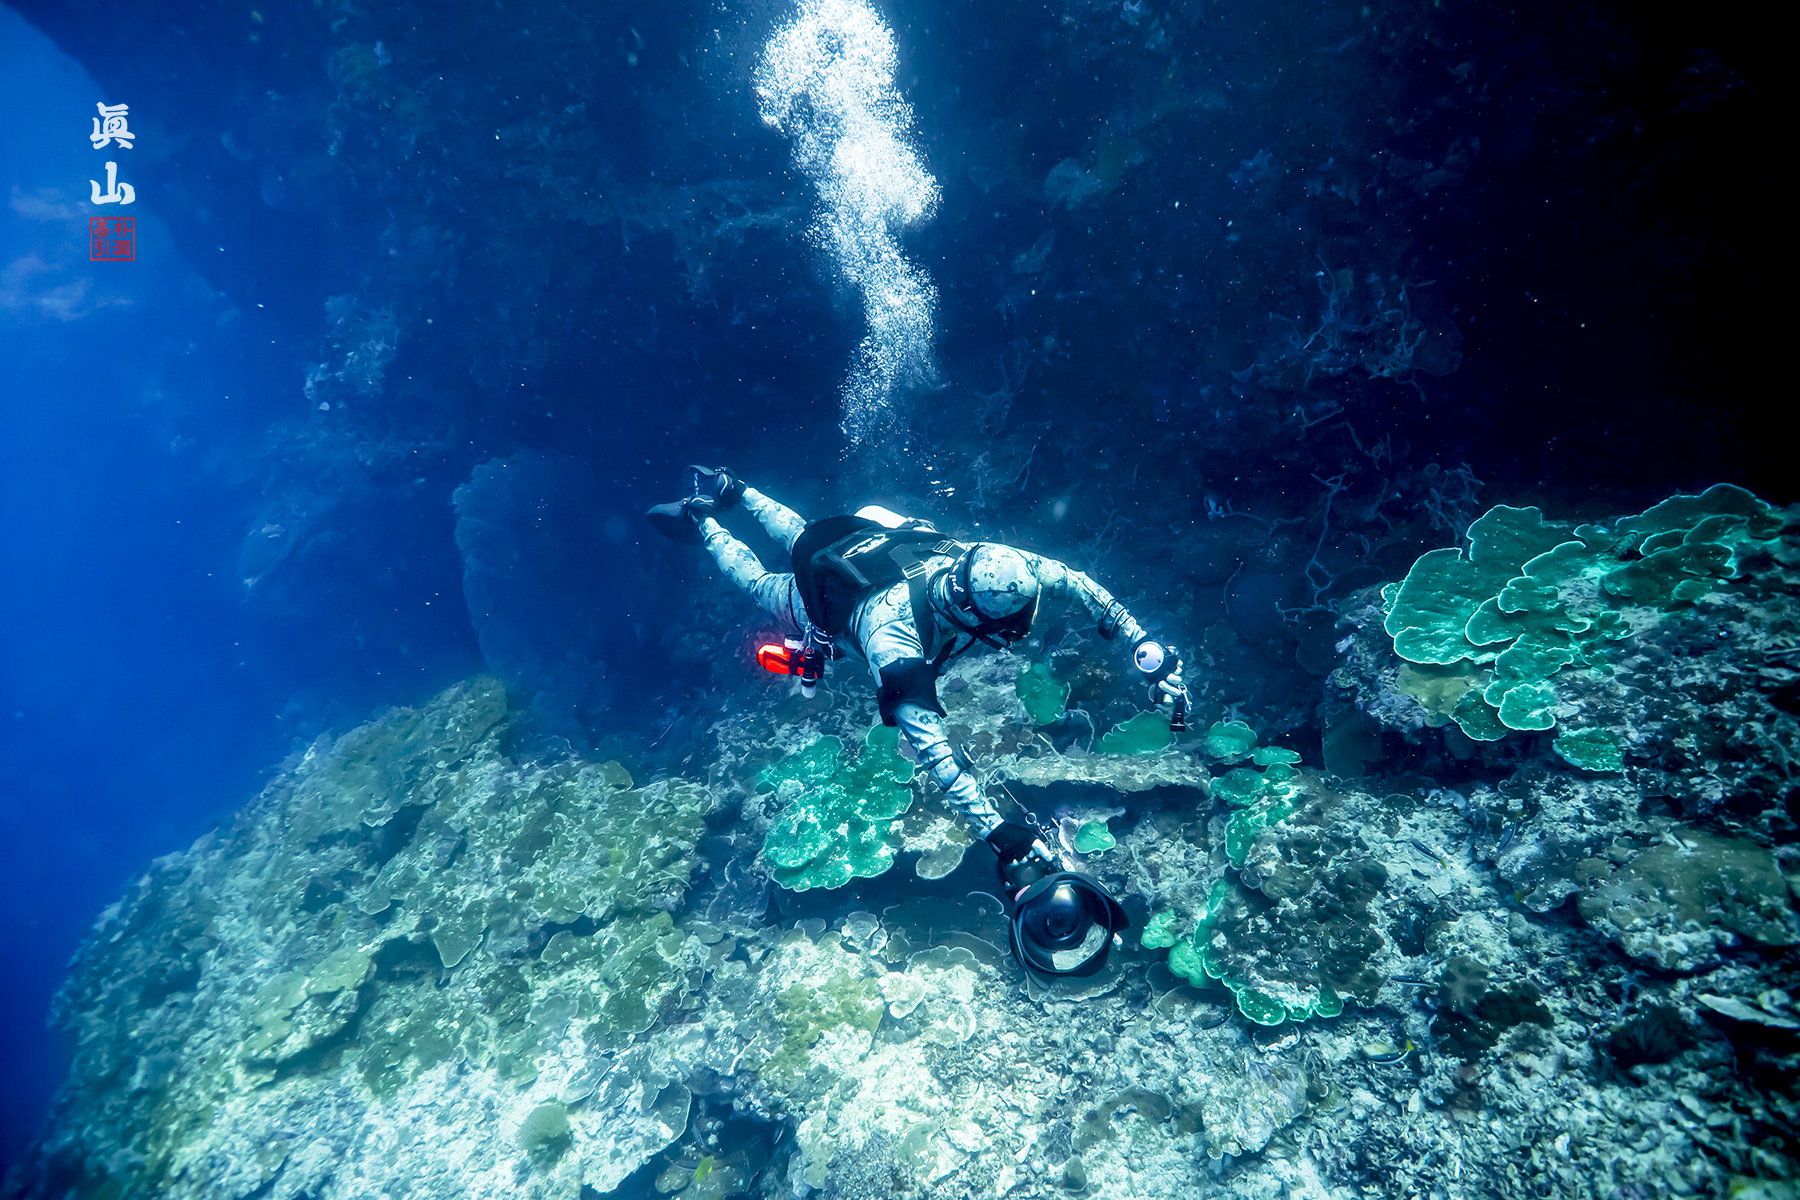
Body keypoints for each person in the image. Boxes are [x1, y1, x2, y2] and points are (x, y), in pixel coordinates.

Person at [648, 467, 1188, 983]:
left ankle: (737, 489)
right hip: (834, 596)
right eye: (1012, 628)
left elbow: (1074, 580)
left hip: (860, 539)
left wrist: (1145, 647)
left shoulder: (991, 565)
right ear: (973, 614)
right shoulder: (894, 642)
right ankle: (704, 520)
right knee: (764, 584)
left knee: (803, 534)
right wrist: (996, 832)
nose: (1022, 633)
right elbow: (934, 753)